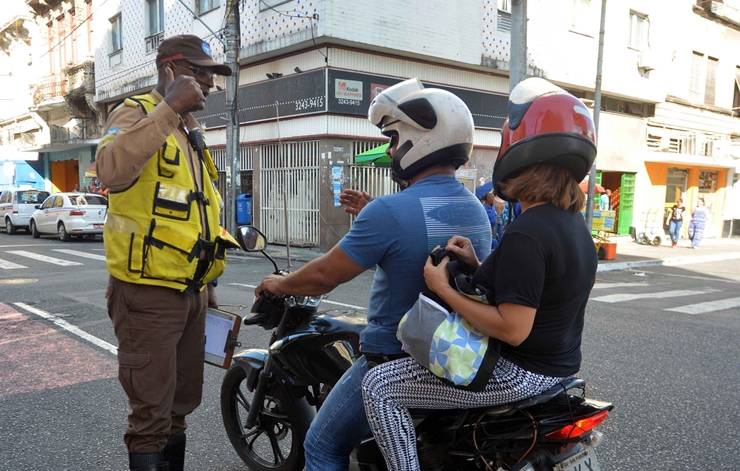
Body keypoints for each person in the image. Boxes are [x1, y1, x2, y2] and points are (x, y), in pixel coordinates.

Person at [361, 78, 599, 470]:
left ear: (520, 156)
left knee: (380, 387)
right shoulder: (572, 227)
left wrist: (443, 288)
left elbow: (513, 328)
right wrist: (475, 264)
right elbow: (536, 289)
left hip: (517, 373)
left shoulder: (529, 230)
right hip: (559, 369)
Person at [254, 78, 492, 470]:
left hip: (395, 358)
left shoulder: (390, 212)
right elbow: (418, 228)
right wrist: (373, 209)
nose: (392, 151)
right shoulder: (475, 209)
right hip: (458, 353)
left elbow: (325, 275)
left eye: (395, 140)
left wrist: (280, 284)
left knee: (322, 445)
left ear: (421, 140)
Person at [96, 35, 238, 471]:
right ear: (171, 69)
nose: (211, 84)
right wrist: (169, 106)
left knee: (180, 406)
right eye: (202, 72)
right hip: (147, 294)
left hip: (190, 292)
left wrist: (208, 284)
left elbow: (198, 217)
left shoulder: (189, 133)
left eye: (213, 74)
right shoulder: (138, 113)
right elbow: (111, 170)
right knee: (150, 416)